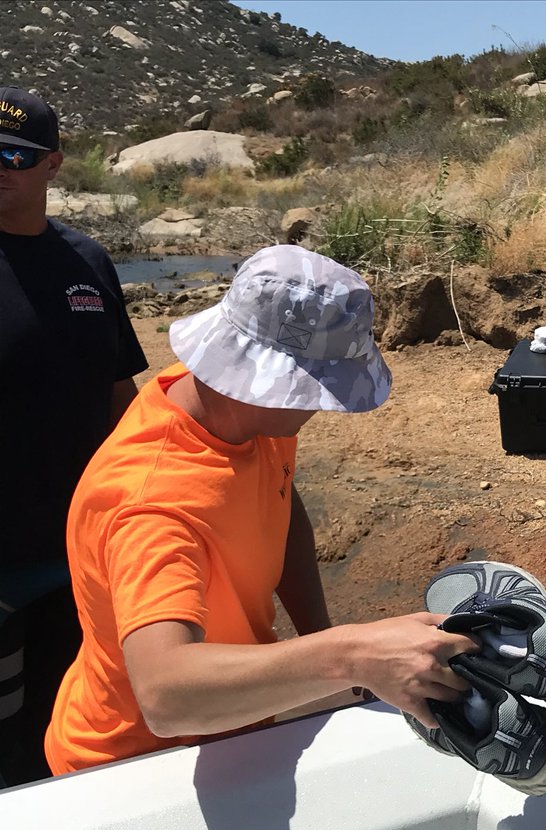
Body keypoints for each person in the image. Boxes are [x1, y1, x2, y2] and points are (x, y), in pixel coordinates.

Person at [45, 244, 478, 775]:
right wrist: (350, 655)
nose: (320, 406)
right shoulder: (151, 505)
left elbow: (279, 500)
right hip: (133, 767)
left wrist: (318, 633)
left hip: (234, 726)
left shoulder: (237, 410)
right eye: (316, 388)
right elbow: (165, 695)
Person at [0, 86, 149, 786]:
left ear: (53, 165)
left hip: (81, 555)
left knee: (70, 732)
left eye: (14, 157)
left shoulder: (87, 261)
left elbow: (122, 395)